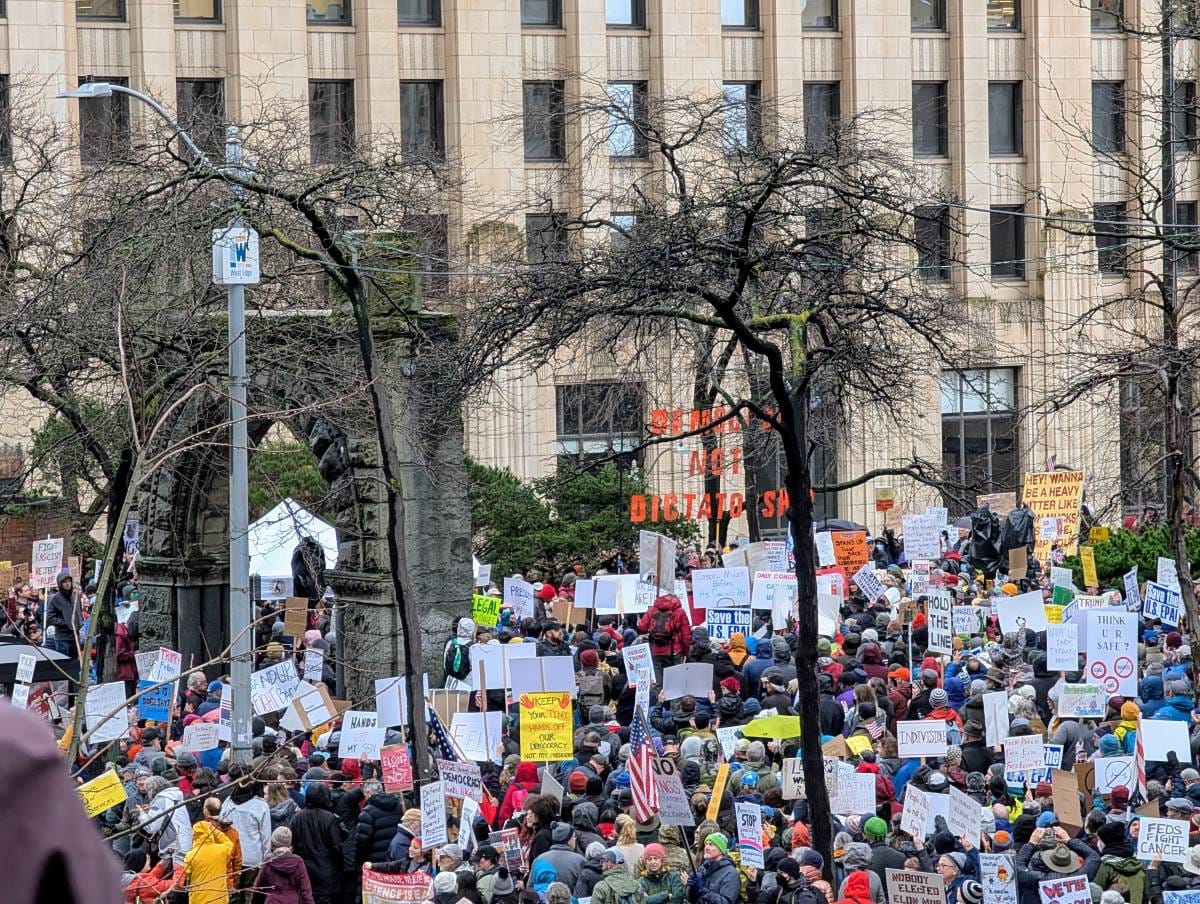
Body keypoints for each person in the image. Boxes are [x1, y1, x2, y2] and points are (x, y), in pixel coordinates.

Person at [288, 783, 344, 904]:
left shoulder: (296, 818)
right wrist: (340, 866)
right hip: (326, 870)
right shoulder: (329, 818)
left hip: (304, 869)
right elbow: (336, 847)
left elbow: (293, 845)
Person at [177, 798, 237, 904]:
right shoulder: (221, 850)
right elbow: (229, 844)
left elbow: (186, 875)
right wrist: (214, 832)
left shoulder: (191, 855)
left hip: (198, 898)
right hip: (219, 897)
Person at [251, 827, 317, 904]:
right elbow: (305, 890)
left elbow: (258, 888)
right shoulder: (298, 861)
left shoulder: (268, 862)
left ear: (273, 842)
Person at [686, 834, 740, 904]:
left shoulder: (731, 873)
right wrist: (691, 887)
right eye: (706, 844)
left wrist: (703, 890)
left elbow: (726, 902)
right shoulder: (703, 868)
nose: (707, 848)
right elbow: (691, 900)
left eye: (711, 844)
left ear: (721, 850)